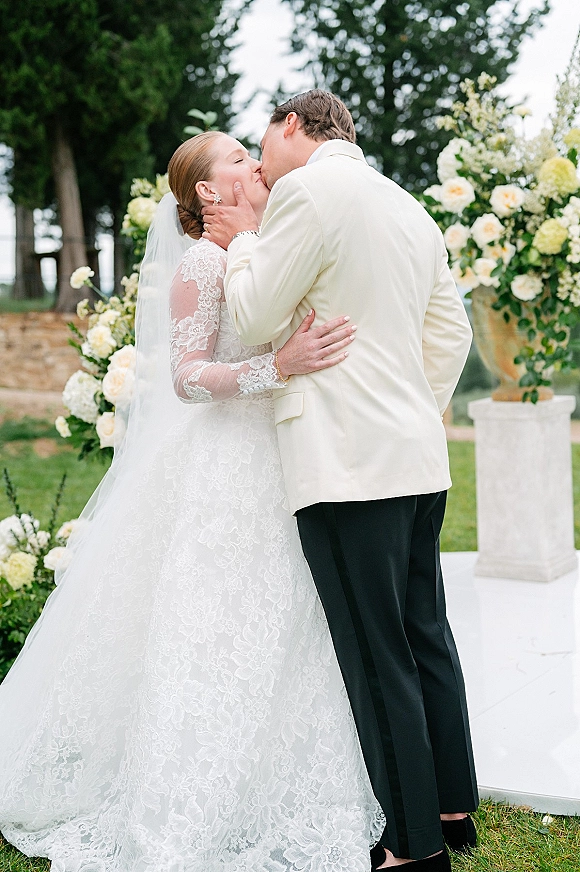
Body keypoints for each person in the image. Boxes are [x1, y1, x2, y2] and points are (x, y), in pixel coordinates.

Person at [0, 131, 384, 872]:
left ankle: (278, 785)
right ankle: (186, 795)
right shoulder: (203, 264)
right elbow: (186, 376)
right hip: (223, 467)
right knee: (214, 626)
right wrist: (280, 366)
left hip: (279, 461)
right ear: (206, 193)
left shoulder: (263, 252)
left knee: (284, 624)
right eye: (237, 158)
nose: (253, 164)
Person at [202, 89, 478, 871]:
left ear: (295, 124)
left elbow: (255, 317)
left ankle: (413, 846)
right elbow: (448, 331)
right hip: (417, 457)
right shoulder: (406, 204)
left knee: (373, 650)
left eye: (263, 139)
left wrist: (249, 240)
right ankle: (453, 806)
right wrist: (407, 410)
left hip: (346, 464)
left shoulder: (303, 195)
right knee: (425, 634)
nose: (257, 162)